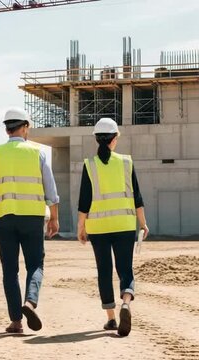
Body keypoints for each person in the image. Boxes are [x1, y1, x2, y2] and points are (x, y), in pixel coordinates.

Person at [0, 107, 60, 334]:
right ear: (25, 127)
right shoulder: (38, 153)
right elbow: (50, 190)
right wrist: (54, 217)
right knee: (35, 264)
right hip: (32, 218)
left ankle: (16, 321)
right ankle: (30, 302)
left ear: (7, 129)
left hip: (5, 218)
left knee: (10, 270)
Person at [77, 117, 149, 337]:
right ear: (115, 138)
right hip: (125, 225)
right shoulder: (127, 162)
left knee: (104, 271)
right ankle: (126, 300)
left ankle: (111, 319)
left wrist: (81, 227)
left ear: (97, 140)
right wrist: (143, 224)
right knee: (125, 268)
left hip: (98, 227)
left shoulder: (89, 165)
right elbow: (137, 197)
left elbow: (84, 201)